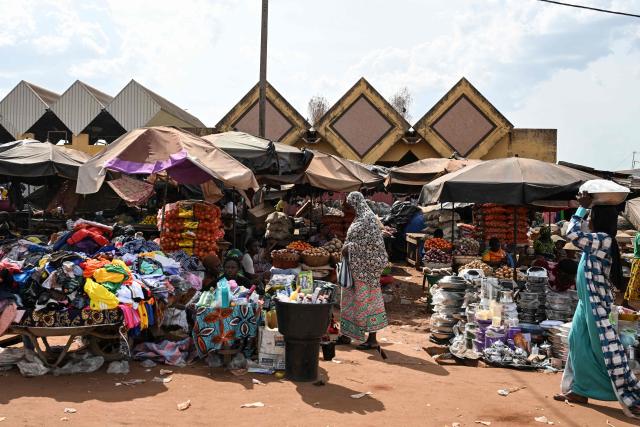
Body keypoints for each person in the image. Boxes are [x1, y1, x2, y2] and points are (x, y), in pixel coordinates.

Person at [554, 193, 640, 418]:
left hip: (596, 305)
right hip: (586, 303)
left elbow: (571, 233)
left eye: (591, 216)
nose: (588, 220)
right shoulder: (598, 239)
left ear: (599, 220)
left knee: (604, 351)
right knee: (576, 342)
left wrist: (581, 208)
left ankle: (629, 393)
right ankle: (580, 390)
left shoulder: (603, 239)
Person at [339, 191, 389, 350]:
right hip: (354, 267)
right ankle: (347, 334)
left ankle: (372, 339)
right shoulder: (360, 217)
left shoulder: (368, 219)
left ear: (355, 204)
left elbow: (374, 245)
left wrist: (350, 248)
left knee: (368, 303)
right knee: (348, 302)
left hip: (366, 271)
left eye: (348, 206)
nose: (347, 210)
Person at [623, 231, 640, 308]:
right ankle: (628, 302)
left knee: (633, 282)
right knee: (634, 283)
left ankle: (626, 302)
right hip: (638, 261)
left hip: (637, 261)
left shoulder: (638, 234)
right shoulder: (639, 235)